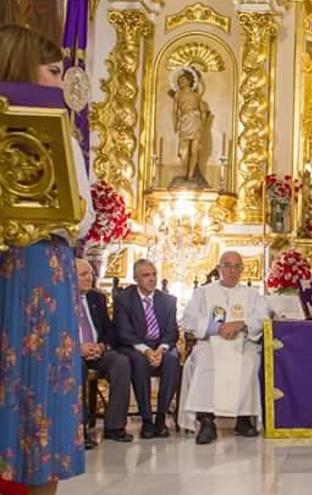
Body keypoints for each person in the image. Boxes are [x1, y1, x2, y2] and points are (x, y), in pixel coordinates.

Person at [0, 24, 93, 495]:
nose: (61, 83)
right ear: (20, 68)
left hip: (39, 268)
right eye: (53, 71)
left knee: (38, 383)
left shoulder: (64, 137)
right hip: (30, 266)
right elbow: (81, 218)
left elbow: (80, 218)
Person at [180, 251, 270, 444]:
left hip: (243, 342)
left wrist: (241, 324)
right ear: (219, 268)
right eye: (227, 266)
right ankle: (206, 420)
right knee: (204, 363)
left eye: (237, 267)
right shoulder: (203, 293)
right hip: (209, 342)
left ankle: (244, 418)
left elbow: (263, 319)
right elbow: (188, 320)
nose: (232, 271)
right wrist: (217, 327)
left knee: (249, 363)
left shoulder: (252, 295)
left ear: (242, 271)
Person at [114, 259, 180, 439]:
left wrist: (161, 349)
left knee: (173, 360)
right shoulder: (124, 301)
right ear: (136, 278)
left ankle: (161, 418)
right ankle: (147, 420)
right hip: (135, 346)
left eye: (154, 274)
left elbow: (172, 331)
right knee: (139, 361)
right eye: (146, 275)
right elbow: (124, 333)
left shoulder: (168, 301)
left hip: (162, 346)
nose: (151, 279)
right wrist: (147, 351)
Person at [74, 259, 133, 448]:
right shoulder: (60, 300)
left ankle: (115, 427)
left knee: (121, 362)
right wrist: (78, 348)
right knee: (77, 367)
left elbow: (109, 330)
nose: (90, 278)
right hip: (72, 352)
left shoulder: (96, 298)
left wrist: (102, 346)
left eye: (91, 273)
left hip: (97, 351)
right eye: (84, 275)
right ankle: (79, 429)